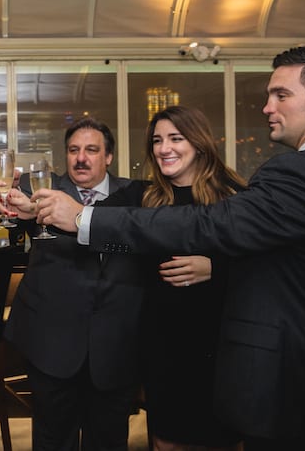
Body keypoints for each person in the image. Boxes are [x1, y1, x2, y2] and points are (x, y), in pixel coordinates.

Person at [31, 46, 305, 450]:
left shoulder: (302, 170)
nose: (266, 107)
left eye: (281, 95)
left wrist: (84, 217)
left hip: (295, 388)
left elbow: (210, 224)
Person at [99, 106, 244, 451]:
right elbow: (88, 219)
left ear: (199, 142)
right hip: (163, 346)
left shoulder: (236, 196)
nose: (164, 148)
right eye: (157, 140)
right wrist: (38, 204)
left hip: (222, 346)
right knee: (167, 440)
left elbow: (271, 265)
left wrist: (216, 268)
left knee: (221, 439)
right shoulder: (142, 196)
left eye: (176, 138)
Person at [3, 117, 141, 451]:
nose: (81, 158)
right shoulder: (38, 190)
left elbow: (137, 245)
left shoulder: (136, 194)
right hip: (51, 343)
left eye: (91, 150)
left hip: (115, 344)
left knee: (109, 440)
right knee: (52, 441)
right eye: (74, 150)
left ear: (108, 157)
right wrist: (9, 214)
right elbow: (12, 229)